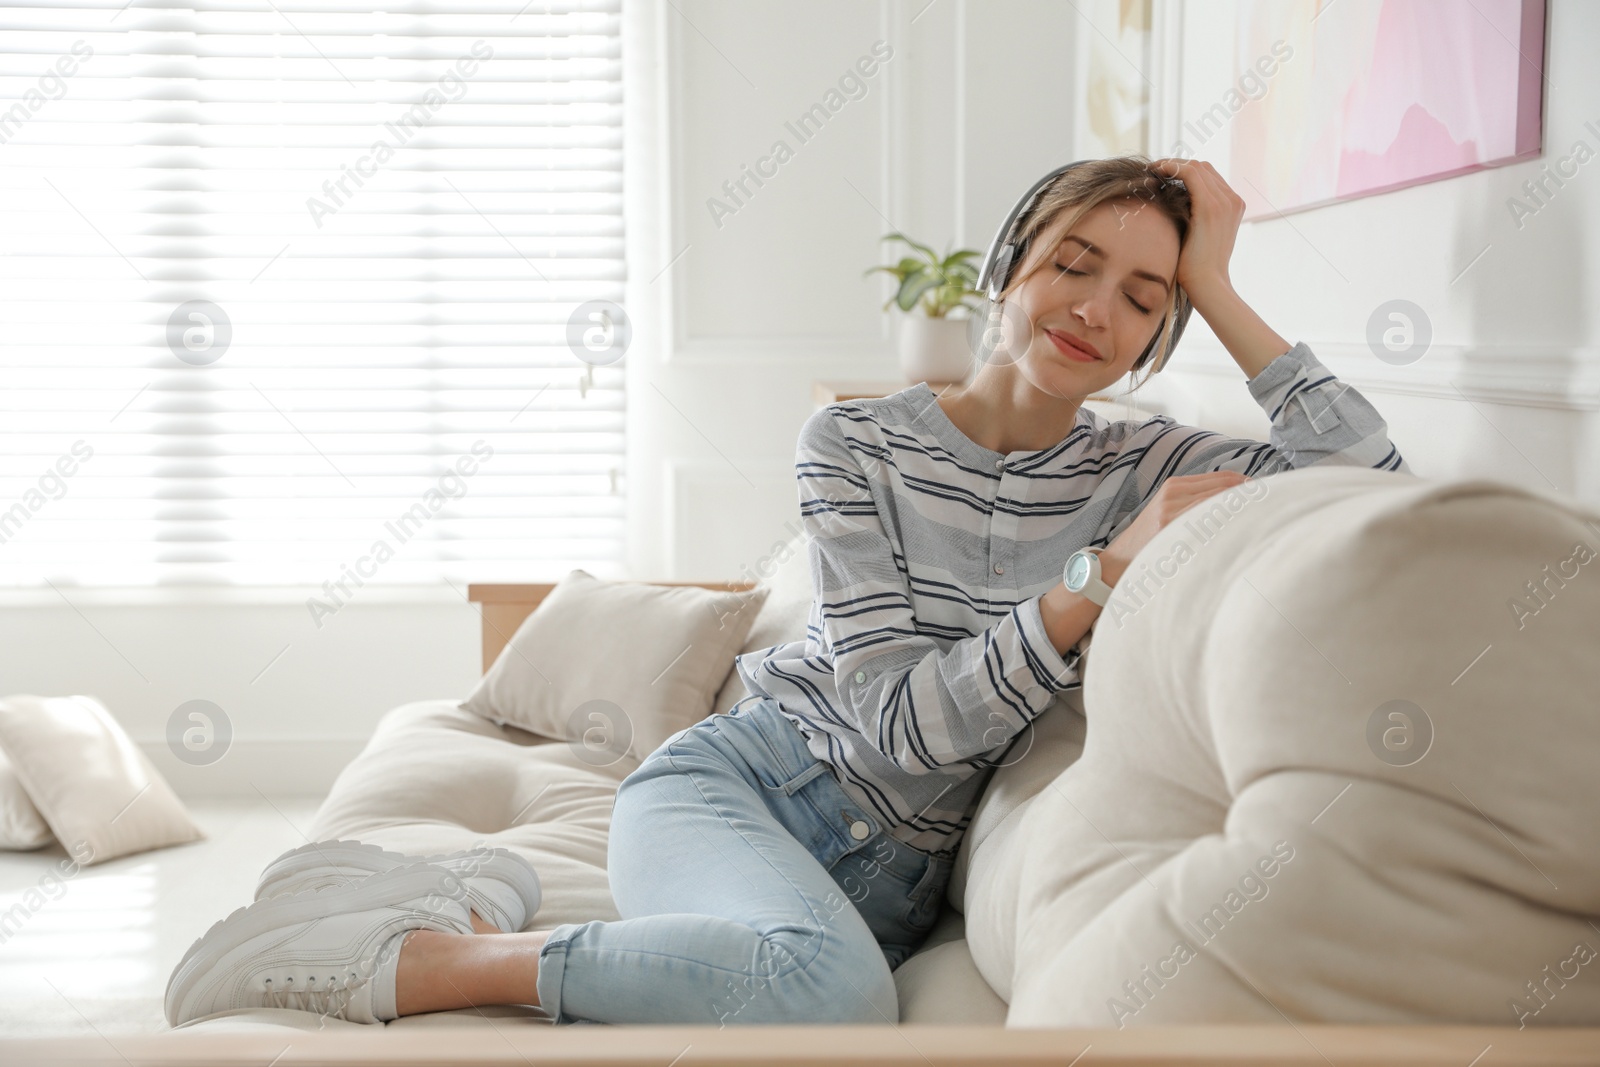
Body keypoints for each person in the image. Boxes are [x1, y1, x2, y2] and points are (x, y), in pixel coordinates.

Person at [165, 155, 1409, 1028]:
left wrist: (1225, 292)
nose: (1096, 307)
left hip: (891, 879)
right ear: (1004, 267)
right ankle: (419, 951)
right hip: (736, 789)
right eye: (1072, 263)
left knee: (810, 967)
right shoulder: (855, 443)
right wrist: (1094, 581)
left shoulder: (1144, 459)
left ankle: (471, 890)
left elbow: (1368, 482)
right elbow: (892, 722)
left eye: (1145, 296)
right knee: (827, 991)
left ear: (1157, 336)